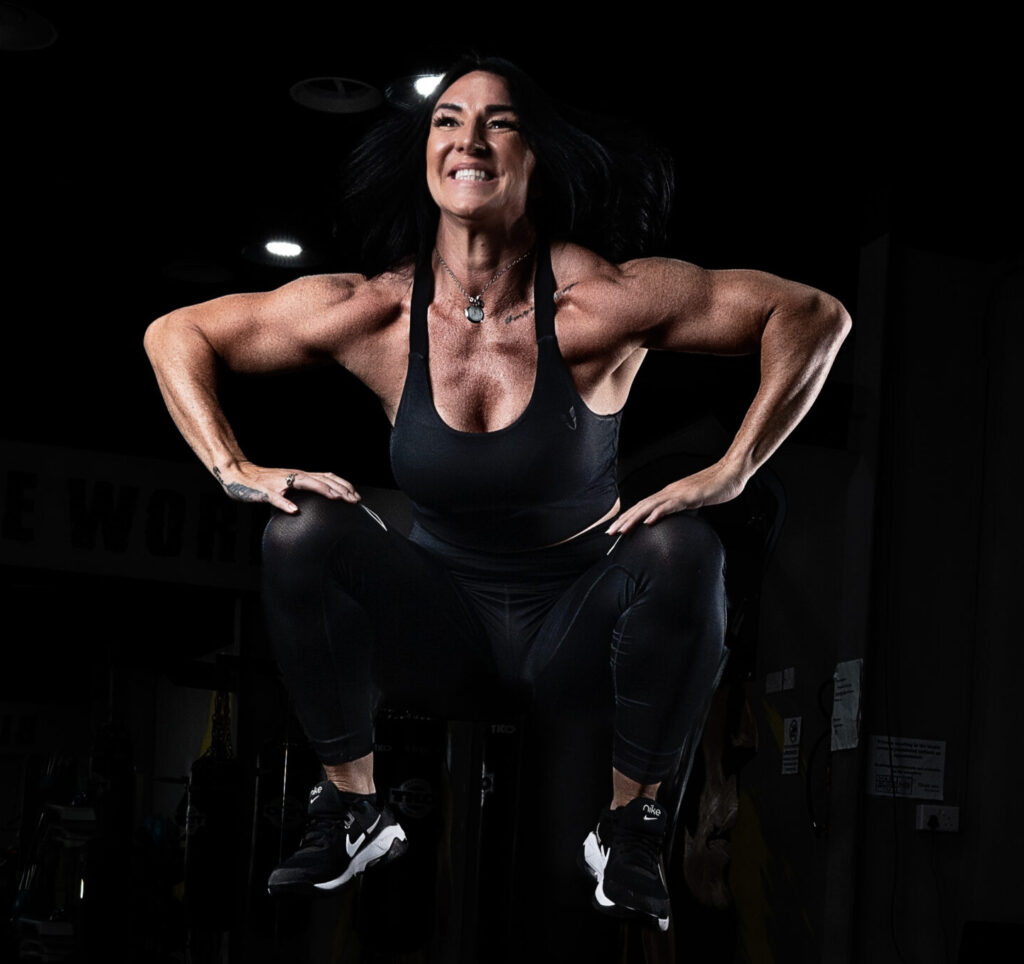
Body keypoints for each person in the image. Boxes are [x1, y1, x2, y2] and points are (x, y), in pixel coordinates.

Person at [144, 55, 850, 936]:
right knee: (301, 532)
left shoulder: (599, 303)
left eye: (498, 121)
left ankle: (630, 823)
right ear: (425, 155)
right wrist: (230, 467)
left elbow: (812, 315)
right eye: (446, 120)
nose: (468, 138)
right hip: (441, 634)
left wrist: (737, 467)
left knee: (684, 547)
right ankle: (353, 807)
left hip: (576, 636)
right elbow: (176, 333)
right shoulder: (378, 312)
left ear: (535, 155)